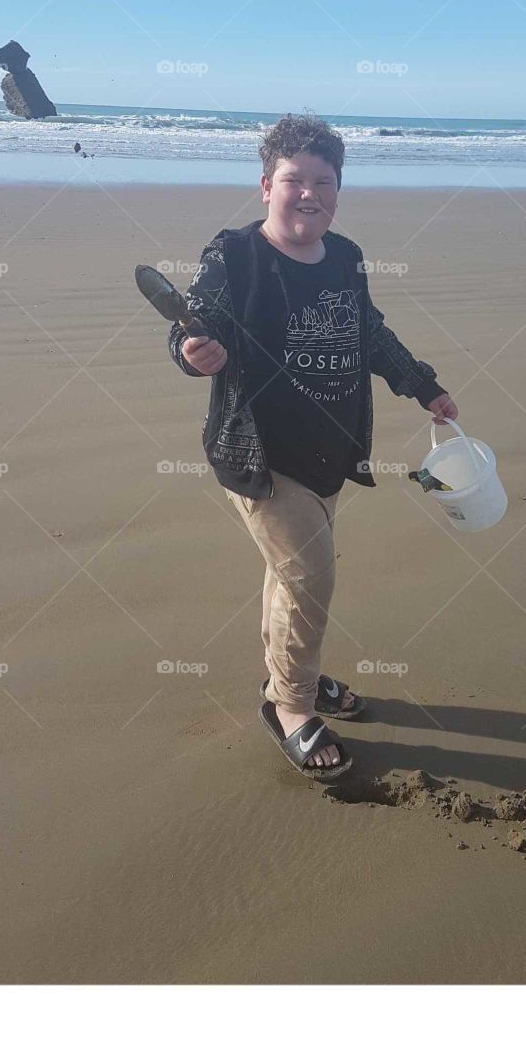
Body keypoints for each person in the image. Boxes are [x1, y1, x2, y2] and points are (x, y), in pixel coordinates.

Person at [168, 113, 458, 781]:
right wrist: (192, 352)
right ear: (265, 184)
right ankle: (290, 706)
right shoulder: (234, 254)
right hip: (262, 459)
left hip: (333, 450)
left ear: (337, 190)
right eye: (294, 180)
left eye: (323, 182)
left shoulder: (347, 257)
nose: (309, 194)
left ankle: (291, 674)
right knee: (311, 576)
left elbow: (370, 331)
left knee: (289, 576)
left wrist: (422, 386)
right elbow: (195, 325)